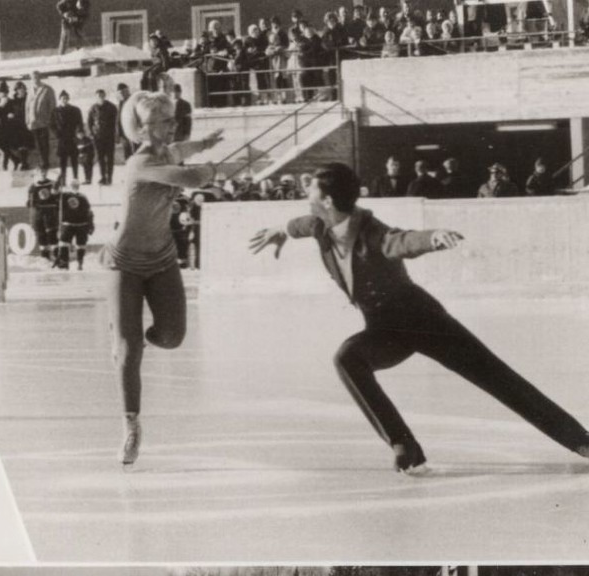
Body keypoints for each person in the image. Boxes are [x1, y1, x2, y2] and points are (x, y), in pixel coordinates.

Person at [249, 163, 589, 472]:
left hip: (425, 322)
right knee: (348, 357)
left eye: (311, 189)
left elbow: (402, 241)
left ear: (326, 199)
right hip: (385, 330)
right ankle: (404, 445)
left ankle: (580, 440)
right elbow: (301, 224)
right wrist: (281, 230)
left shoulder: (372, 233)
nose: (305, 192)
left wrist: (433, 238)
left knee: (497, 378)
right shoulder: (322, 226)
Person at [106, 90, 221, 466]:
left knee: (172, 337)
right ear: (142, 129)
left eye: (173, 120)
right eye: (165, 121)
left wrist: (203, 143)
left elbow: (182, 152)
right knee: (130, 349)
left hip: (162, 258)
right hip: (125, 262)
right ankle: (132, 425)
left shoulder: (166, 150)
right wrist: (210, 169)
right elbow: (190, 175)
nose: (173, 125)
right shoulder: (139, 164)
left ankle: (135, 341)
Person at [87, 90, 118, 185]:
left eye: (102, 95)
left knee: (109, 157)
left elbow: (116, 122)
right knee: (100, 157)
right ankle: (103, 177)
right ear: (96, 97)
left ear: (105, 96)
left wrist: (116, 134)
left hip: (109, 136)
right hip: (98, 137)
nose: (100, 97)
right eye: (98, 96)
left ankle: (110, 177)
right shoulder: (93, 108)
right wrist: (91, 133)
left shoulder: (112, 107)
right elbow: (89, 122)